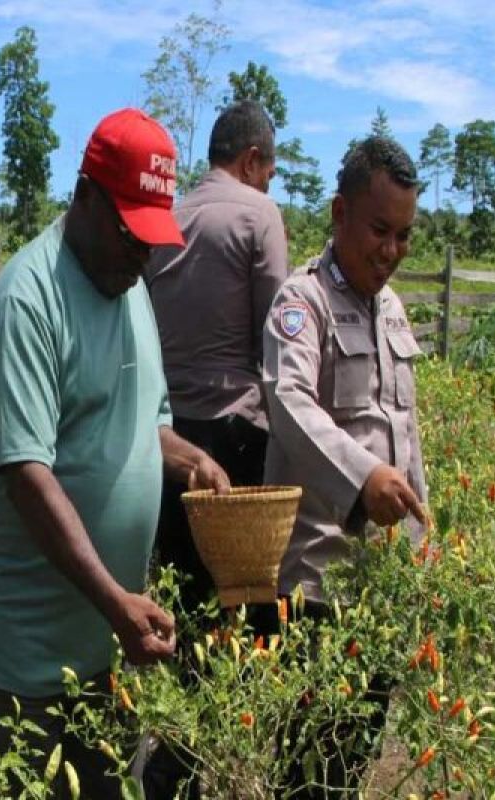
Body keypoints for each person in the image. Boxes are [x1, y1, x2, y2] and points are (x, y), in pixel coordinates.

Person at [0, 108, 229, 799]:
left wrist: (190, 460)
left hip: (108, 654)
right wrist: (115, 601)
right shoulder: (30, 296)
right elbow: (26, 472)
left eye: (152, 238)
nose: (143, 254)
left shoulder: (133, 289)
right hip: (31, 662)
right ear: (84, 196)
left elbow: (148, 423)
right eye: (129, 233)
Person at [261, 136, 428, 796]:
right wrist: (363, 477)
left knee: (353, 757)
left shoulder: (392, 307)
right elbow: (288, 401)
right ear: (338, 213)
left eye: (405, 236)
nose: (391, 251)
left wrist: (421, 539)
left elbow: (405, 432)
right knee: (309, 767)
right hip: (320, 584)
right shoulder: (302, 304)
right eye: (379, 230)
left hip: (382, 585)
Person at [145, 99, 289, 618]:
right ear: (252, 161)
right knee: (242, 597)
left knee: (182, 592)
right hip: (236, 434)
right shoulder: (260, 215)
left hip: (165, 439)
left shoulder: (165, 218)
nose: (268, 184)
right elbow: (274, 341)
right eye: (268, 174)